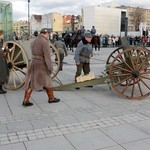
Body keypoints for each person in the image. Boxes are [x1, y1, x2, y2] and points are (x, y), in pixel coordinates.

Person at [23, 28, 60, 107]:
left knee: (32, 81)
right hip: (41, 64)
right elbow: (47, 56)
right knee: (47, 80)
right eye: (48, 34)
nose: (48, 35)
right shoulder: (44, 42)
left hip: (34, 62)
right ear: (45, 33)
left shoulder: (34, 41)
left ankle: (25, 100)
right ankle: (51, 98)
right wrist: (50, 67)